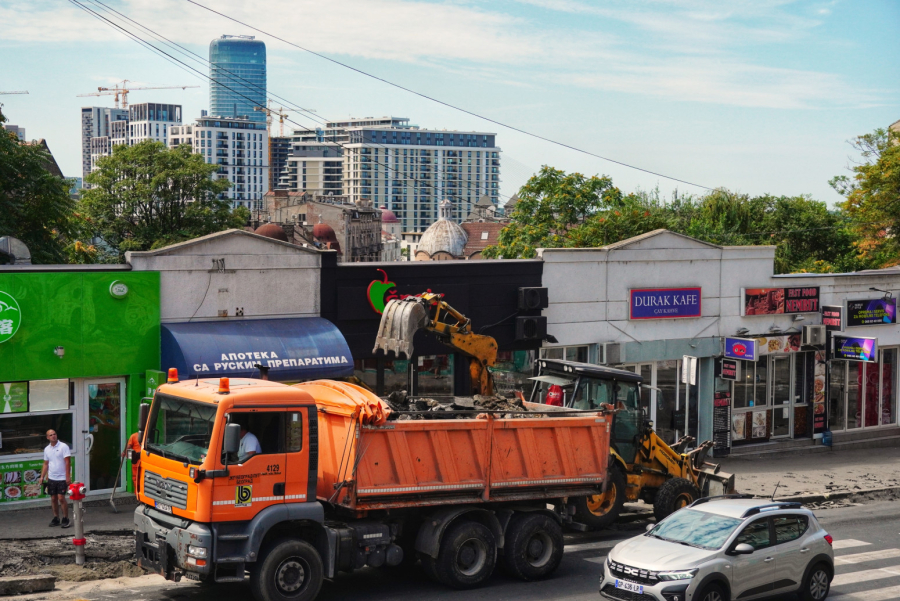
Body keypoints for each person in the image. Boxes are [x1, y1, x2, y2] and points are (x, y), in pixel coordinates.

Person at [40, 430, 71, 528]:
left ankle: (65, 518)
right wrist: (42, 476)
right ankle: (56, 518)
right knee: (53, 498)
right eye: (51, 435)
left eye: (54, 434)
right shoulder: (47, 449)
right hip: (52, 477)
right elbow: (46, 463)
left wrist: (67, 476)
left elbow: (67, 462)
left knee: (61, 498)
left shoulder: (63, 446)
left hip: (62, 477)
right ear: (47, 437)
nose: (53, 436)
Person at [122, 431, 142, 497]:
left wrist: (124, 453)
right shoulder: (147, 436)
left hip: (137, 461)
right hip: (143, 461)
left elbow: (128, 447)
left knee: (136, 478)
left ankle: (137, 494)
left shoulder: (133, 436)